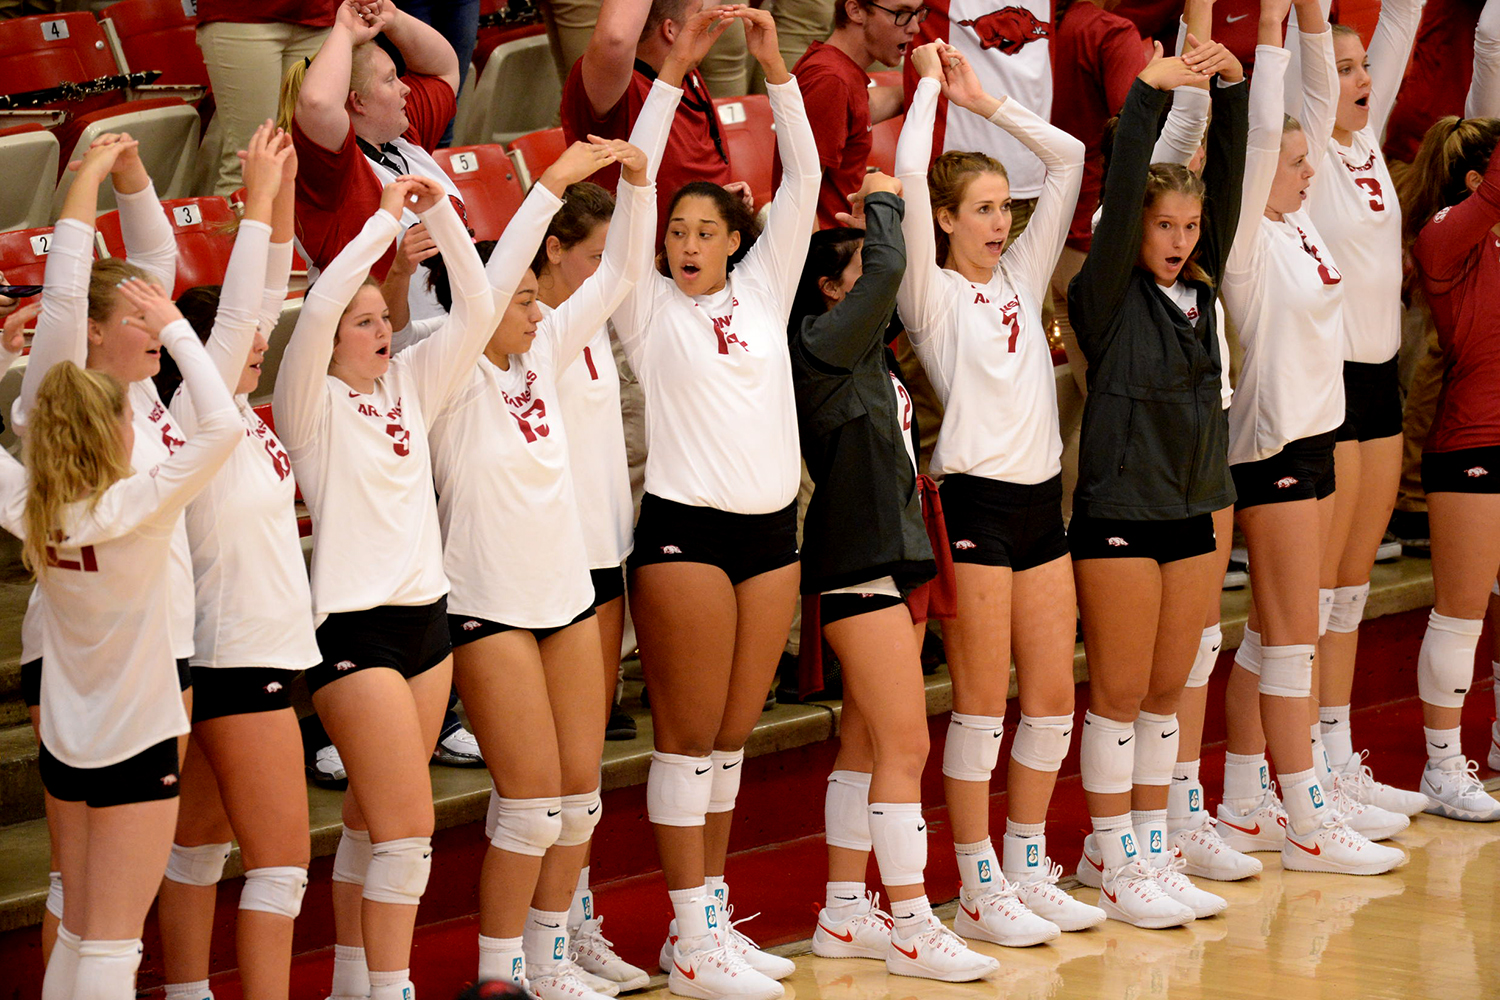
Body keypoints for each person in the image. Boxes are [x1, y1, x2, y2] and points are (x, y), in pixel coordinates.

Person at [424, 108, 663, 998]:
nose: (536, 309)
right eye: (521, 298)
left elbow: (626, 270)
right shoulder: (445, 373)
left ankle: (550, 959)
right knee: (528, 807)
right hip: (486, 603)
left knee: (579, 798)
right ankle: (496, 978)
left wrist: (637, 184)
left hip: (565, 596)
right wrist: (548, 188)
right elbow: (489, 290)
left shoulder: (548, 348)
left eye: (534, 297)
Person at [608, 8, 816, 999]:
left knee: (731, 740)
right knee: (686, 738)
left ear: (737, 239)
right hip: (687, 538)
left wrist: (777, 73)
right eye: (678, 234)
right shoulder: (649, 313)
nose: (687, 245)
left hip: (773, 539)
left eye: (705, 232)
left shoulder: (766, 292)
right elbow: (632, 197)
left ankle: (712, 921)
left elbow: (807, 183)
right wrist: (669, 76)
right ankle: (689, 936)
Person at [896, 41, 1101, 944]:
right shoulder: (930, 297)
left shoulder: (1022, 275)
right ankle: (977, 882)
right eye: (980, 211)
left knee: (1052, 699)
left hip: (1039, 506)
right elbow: (906, 174)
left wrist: (985, 102)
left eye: (1001, 211)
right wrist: (931, 91)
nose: (998, 224)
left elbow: (1069, 161)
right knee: (981, 705)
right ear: (942, 220)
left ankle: (1024, 864)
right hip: (974, 507)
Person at [272, 175, 496, 1000]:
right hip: (353, 631)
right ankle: (393, 990)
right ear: (328, 339)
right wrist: (380, 220)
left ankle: (352, 985)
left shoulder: (408, 384)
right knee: (408, 829)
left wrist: (438, 206)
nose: (380, 329)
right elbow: (327, 292)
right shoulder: (311, 401)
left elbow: (477, 307)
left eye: (382, 318)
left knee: (372, 823)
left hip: (426, 624)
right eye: (362, 322)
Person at [789, 174, 1001, 981]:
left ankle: (846, 914)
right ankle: (912, 921)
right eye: (860, 279)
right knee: (908, 742)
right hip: (856, 562)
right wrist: (886, 202)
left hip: (899, 555)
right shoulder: (820, 346)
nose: (878, 292)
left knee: (869, 740)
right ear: (829, 293)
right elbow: (886, 274)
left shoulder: (873, 363)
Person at [12, 283, 242, 1000]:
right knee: (112, 943)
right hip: (137, 741)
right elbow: (225, 427)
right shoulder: (134, 506)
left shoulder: (28, 508)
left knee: (80, 929)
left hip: (67, 746)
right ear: (111, 431)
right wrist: (177, 331)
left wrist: (4, 356)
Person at [1216, 0, 1405, 874]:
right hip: (1273, 447)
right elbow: (1270, 127)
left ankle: (1249, 799)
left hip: (1320, 443)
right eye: (1294, 161)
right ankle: (1306, 818)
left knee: (1271, 632)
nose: (1305, 169)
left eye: (1305, 158)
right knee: (1291, 636)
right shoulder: (1250, 239)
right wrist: (1271, 32)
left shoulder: (1299, 227)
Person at [1066, 36, 1248, 928]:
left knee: (1169, 691)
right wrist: (1147, 95)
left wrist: (1237, 94)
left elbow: (1231, 196)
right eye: (1162, 228)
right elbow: (1127, 174)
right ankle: (1112, 857)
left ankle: (1144, 843)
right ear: (1133, 229)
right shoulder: (1103, 298)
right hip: (1121, 511)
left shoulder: (1203, 292)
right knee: (1121, 692)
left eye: (1187, 229)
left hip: (1190, 507)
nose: (1178, 243)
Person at [16, 132, 195, 970]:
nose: (158, 319)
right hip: (85, 655)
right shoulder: (64, 376)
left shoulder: (141, 388)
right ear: (91, 334)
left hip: (153, 647)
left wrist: (132, 176)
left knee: (117, 889)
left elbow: (153, 270)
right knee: (86, 895)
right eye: (136, 317)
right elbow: (63, 298)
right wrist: (82, 175)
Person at [150, 125, 313, 1000]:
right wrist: (253, 202)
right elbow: (251, 307)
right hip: (237, 657)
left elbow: (269, 294)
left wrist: (280, 195)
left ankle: (187, 993)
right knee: (281, 864)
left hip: (246, 654)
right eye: (239, 340)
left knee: (198, 850)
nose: (258, 342)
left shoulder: (242, 418)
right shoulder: (197, 427)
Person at [1299, 0, 1433, 819]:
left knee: (1352, 588)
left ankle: (1339, 757)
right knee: (1314, 592)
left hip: (1381, 379)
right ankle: (1303, 768)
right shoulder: (1311, 146)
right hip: (1332, 383)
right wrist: (1312, 23)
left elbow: (1404, 20)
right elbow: (1312, 51)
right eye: (1341, 71)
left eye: (1362, 70)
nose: (1358, 80)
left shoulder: (1368, 141)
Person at [1403, 112, 1500, 821]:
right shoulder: (1443, 237)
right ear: (1478, 181)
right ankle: (1443, 766)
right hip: (1473, 445)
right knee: (1461, 614)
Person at [286, 0, 463, 292]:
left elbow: (443, 71)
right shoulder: (332, 171)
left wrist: (392, 19)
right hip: (378, 332)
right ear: (357, 101)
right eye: (391, 79)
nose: (405, 87)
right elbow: (317, 103)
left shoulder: (403, 134)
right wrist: (344, 30)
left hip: (453, 326)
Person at [560, 0, 756, 238]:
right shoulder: (614, 89)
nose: (708, 21)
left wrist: (717, 200)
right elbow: (615, 39)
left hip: (700, 256)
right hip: (643, 265)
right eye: (698, 16)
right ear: (670, 30)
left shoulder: (687, 71)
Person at [783, 0, 924, 228]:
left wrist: (930, 83)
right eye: (901, 14)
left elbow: (864, 109)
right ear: (855, 11)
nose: (914, 27)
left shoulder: (840, 73)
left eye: (918, 13)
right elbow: (798, 194)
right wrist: (818, 263)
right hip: (830, 254)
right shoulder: (830, 80)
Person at [195, 0, 338, 194]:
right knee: (248, 164)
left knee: (304, 163)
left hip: (316, 17)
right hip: (242, 17)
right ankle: (236, 223)